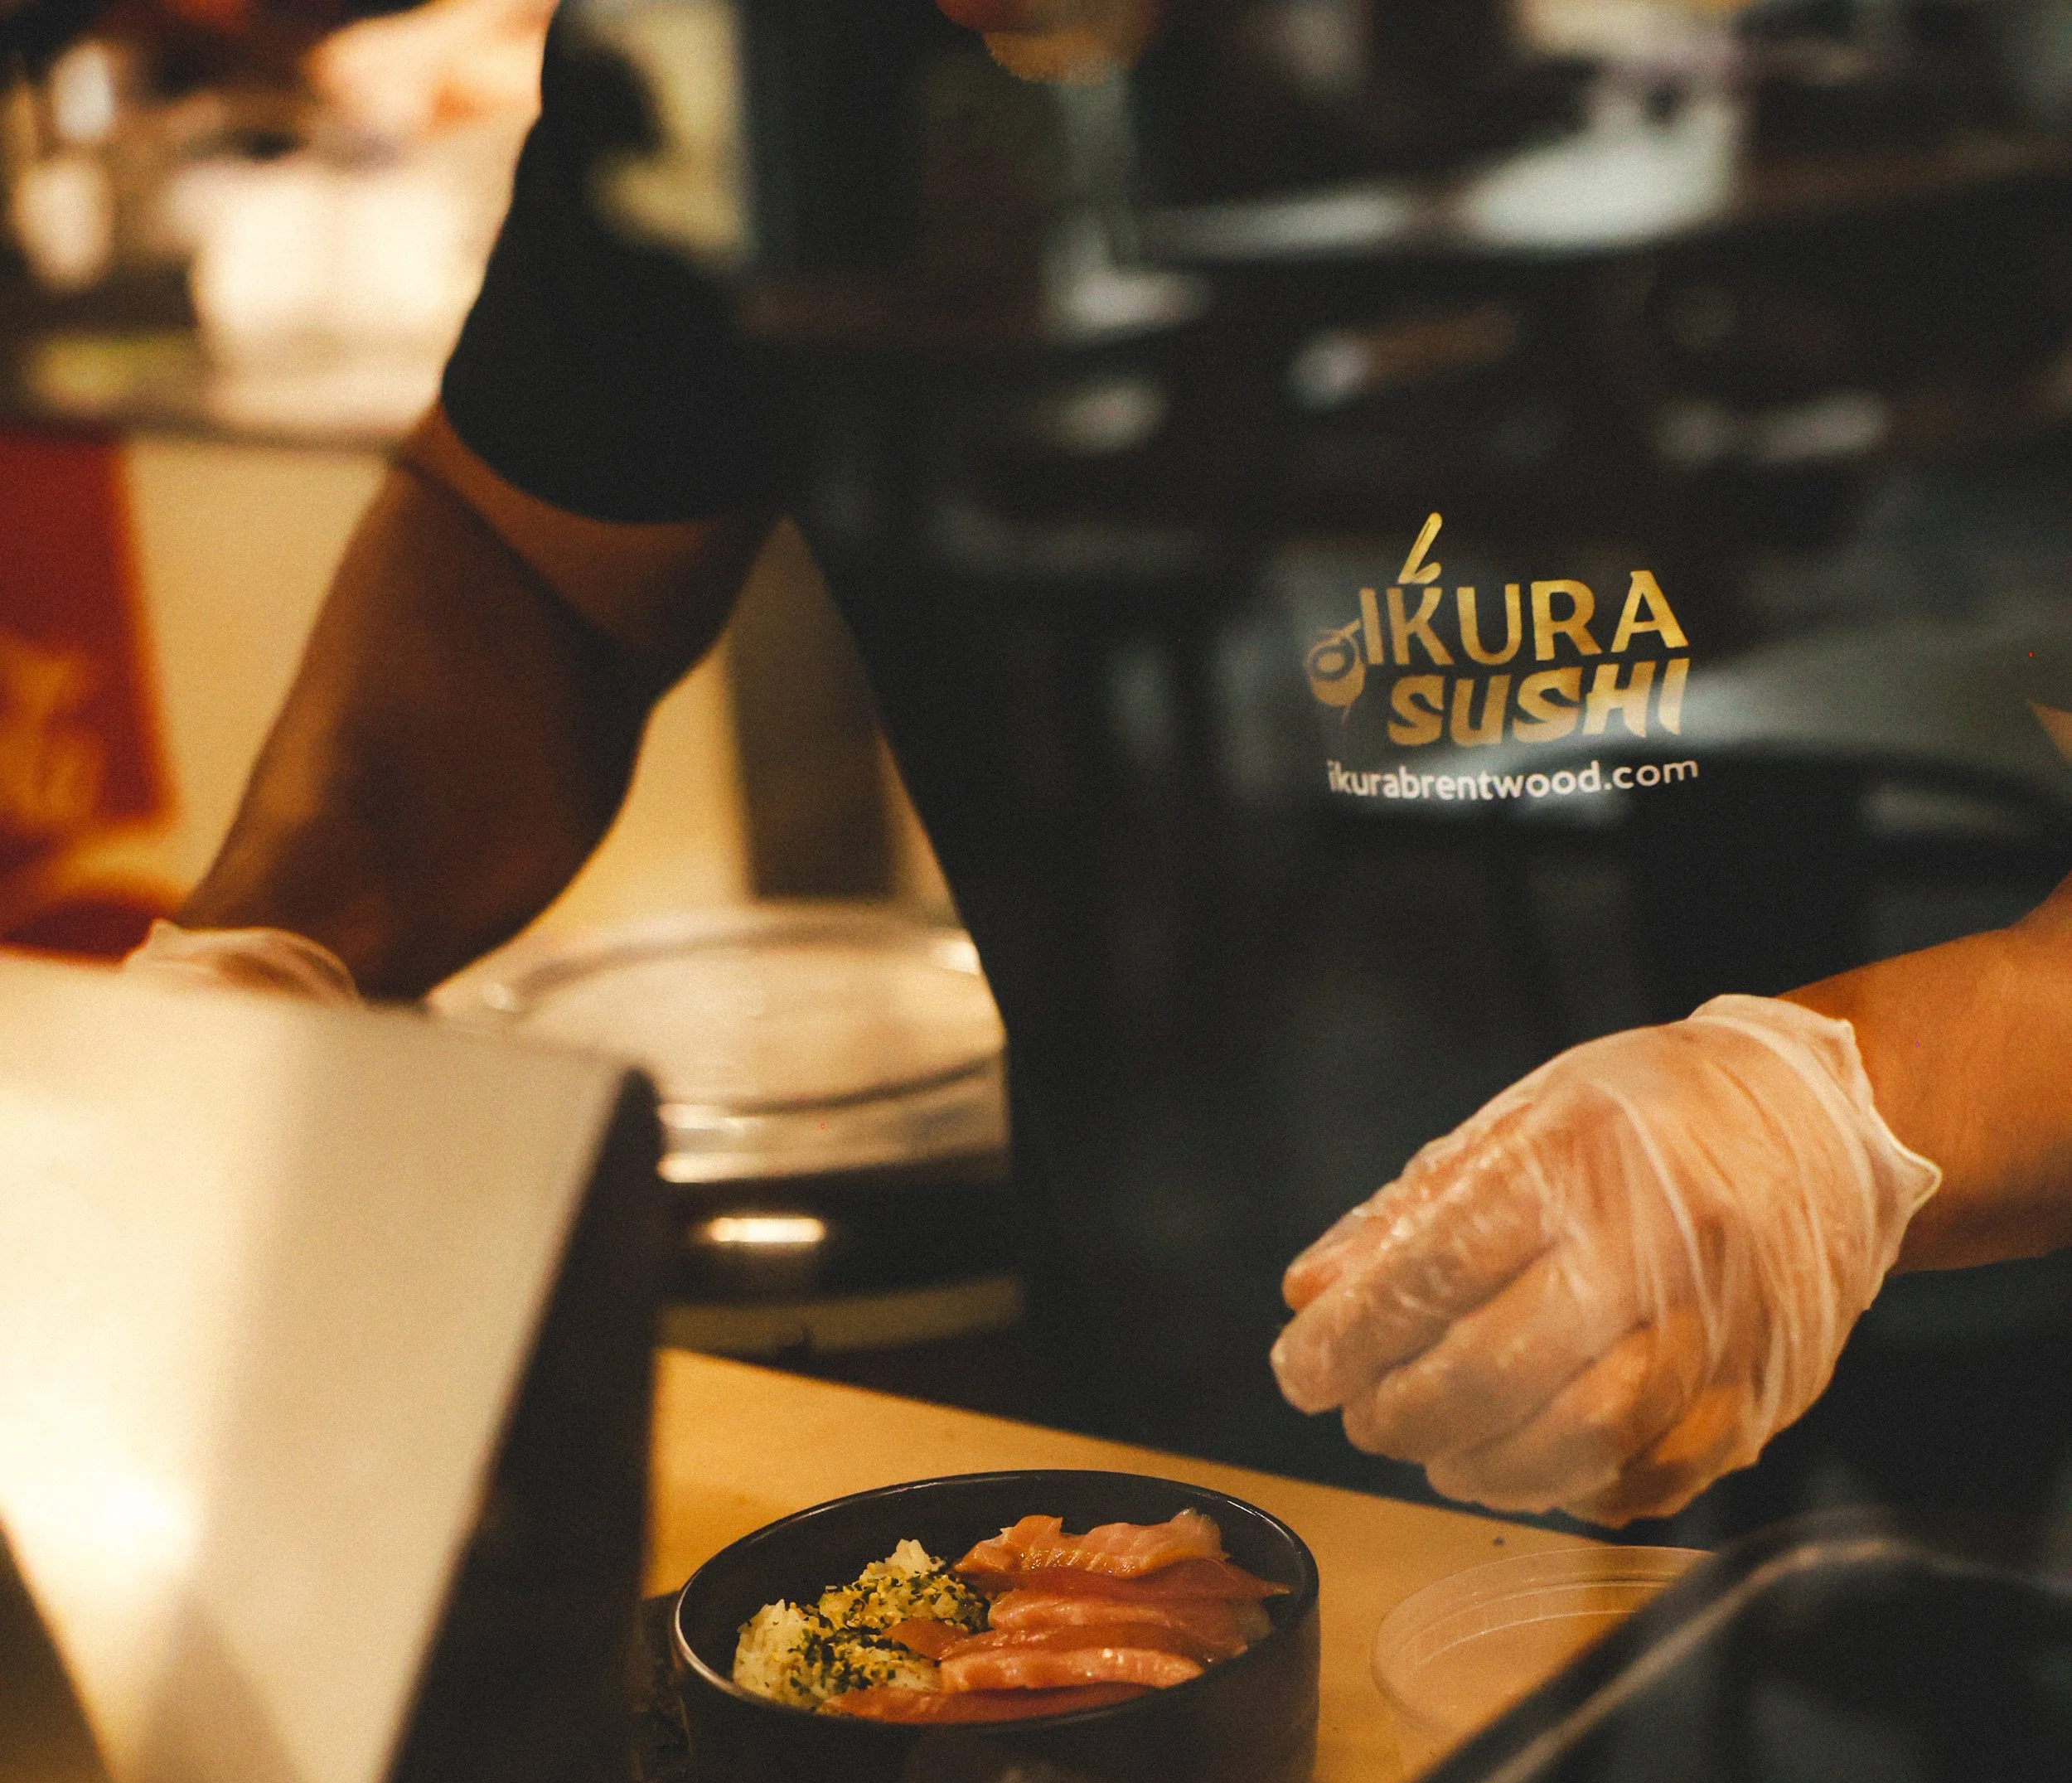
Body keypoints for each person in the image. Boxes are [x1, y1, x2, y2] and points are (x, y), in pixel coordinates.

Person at [133, 0, 2072, 1524]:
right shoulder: (753, 40)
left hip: (1977, 1468)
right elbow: (534, 557)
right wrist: (269, 946)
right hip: (1210, 1461)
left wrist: (1835, 1127)